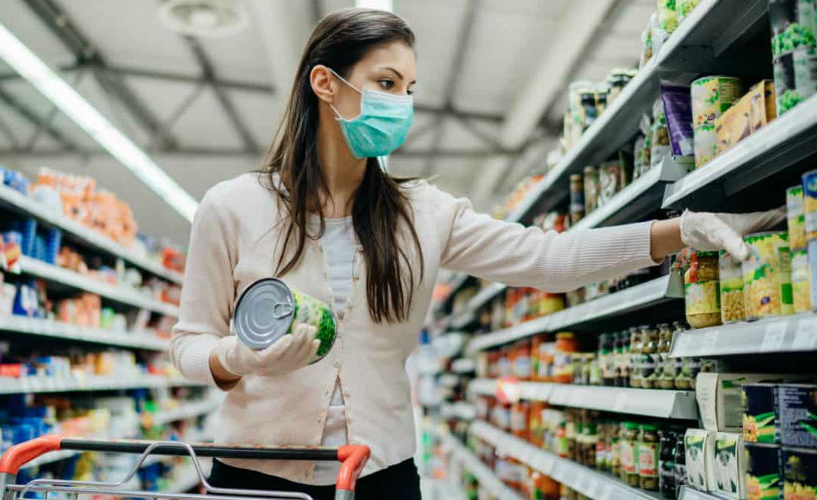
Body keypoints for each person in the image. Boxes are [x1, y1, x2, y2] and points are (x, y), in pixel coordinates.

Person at [171, 8, 782, 500]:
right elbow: (187, 344)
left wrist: (682, 229)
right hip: (255, 478)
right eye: (385, 84)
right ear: (326, 83)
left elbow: (552, 258)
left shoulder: (423, 212)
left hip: (384, 474)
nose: (401, 104)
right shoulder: (231, 207)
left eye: (409, 89)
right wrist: (237, 356)